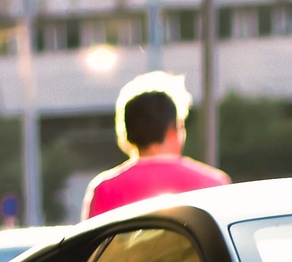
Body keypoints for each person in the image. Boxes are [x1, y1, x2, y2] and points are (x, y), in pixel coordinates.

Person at [81, 72, 230, 219]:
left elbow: (90, 243)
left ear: (127, 131)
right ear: (173, 129)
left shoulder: (104, 189)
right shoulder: (214, 183)